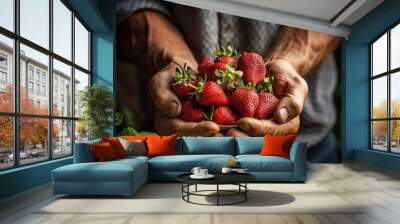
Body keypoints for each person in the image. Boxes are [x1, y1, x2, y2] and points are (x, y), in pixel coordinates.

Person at [117, 0, 341, 162]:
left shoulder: (230, 87)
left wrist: (286, 63)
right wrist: (174, 61)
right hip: (180, 146)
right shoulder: (216, 86)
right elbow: (128, 4)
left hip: (306, 146)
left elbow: (336, 8)